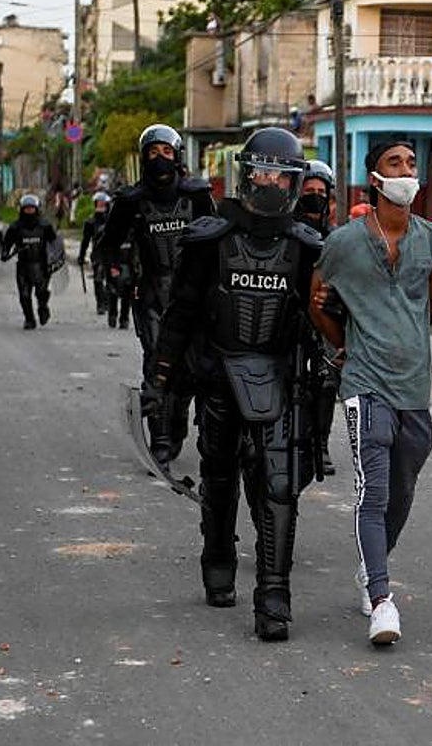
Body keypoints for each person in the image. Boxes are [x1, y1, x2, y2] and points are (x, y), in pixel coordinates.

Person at [153, 127, 324, 642]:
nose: (271, 182)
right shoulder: (211, 240)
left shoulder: (307, 247)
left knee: (278, 484)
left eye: (281, 174)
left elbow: (326, 317)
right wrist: (163, 375)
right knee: (220, 474)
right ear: (247, 176)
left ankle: (274, 593)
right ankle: (218, 556)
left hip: (280, 376)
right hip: (219, 374)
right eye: (263, 172)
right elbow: (181, 311)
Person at [309, 138, 432, 646]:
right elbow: (316, 300)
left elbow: (430, 304)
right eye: (395, 163)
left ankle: (372, 565)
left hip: (412, 383)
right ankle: (381, 599)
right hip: (364, 383)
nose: (406, 171)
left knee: (404, 485)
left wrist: (406, 339)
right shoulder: (344, 242)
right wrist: (343, 345)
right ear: (374, 177)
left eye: (412, 163)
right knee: (372, 488)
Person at [100, 124, 214, 463]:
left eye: (166, 152)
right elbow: (107, 245)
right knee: (157, 363)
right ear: (143, 157)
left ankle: (187, 425)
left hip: (194, 293)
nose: (160, 159)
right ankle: (161, 436)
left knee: (196, 367)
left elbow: (220, 239)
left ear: (177, 156)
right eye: (153, 153)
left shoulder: (196, 195)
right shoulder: (130, 202)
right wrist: (117, 271)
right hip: (151, 292)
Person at [294, 160, 339, 476]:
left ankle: (319, 444)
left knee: (325, 382)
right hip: (289, 318)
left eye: (320, 192)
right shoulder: (285, 233)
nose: (314, 197)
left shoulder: (338, 240)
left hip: (324, 319)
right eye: (308, 191)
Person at [0, 194, 57, 329]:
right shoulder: (15, 227)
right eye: (27, 209)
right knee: (24, 295)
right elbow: (6, 244)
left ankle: (43, 308)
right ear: (21, 210)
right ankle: (29, 319)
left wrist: (54, 259)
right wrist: (4, 253)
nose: (29, 212)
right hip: (23, 266)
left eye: (32, 209)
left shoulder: (45, 226)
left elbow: (54, 243)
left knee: (41, 293)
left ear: (37, 209)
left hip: (42, 265)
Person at [78, 191, 114, 321]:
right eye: (98, 204)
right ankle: (101, 304)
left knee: (112, 281)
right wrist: (81, 256)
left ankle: (111, 302)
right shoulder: (90, 222)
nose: (101, 206)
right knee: (98, 279)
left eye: (103, 204)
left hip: (112, 254)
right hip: (98, 255)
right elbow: (85, 240)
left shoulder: (114, 220)